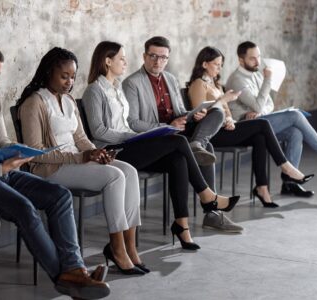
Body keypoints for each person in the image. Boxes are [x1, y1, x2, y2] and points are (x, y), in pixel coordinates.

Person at [0, 42, 110, 300]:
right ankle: (67, 278)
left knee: (59, 195)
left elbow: (1, 141)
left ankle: (74, 268)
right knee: (24, 208)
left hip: (0, 171)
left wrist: (20, 151)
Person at [82, 41, 241, 247]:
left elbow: (126, 123)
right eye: (121, 58)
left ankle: (182, 225)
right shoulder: (94, 91)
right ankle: (207, 195)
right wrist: (135, 136)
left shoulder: (117, 89)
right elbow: (99, 132)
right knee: (179, 142)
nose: (125, 61)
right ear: (107, 61)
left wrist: (192, 115)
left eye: (163, 57)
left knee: (178, 159)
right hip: (113, 152)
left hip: (131, 144)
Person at [18, 47, 148, 275]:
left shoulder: (68, 100)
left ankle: (130, 245)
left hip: (77, 162)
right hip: (51, 168)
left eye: (72, 76)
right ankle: (116, 248)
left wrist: (97, 153)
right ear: (49, 73)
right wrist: (82, 157)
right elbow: (35, 152)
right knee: (115, 177)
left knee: (129, 171)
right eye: (64, 76)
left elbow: (80, 138)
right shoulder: (34, 103)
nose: (69, 82)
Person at [123, 36, 242, 231]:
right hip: (156, 138)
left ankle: (210, 209)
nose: (158, 61)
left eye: (163, 58)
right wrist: (166, 125)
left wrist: (194, 115)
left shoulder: (170, 78)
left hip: (178, 131)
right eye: (153, 56)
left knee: (217, 112)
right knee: (203, 146)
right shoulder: (132, 83)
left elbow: (180, 111)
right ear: (144, 56)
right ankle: (211, 208)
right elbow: (132, 122)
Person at [188, 46, 314, 207]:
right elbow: (201, 116)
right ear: (204, 64)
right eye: (216, 64)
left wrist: (230, 120)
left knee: (259, 136)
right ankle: (286, 167)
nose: (219, 68)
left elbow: (225, 112)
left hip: (225, 128)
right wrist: (223, 100)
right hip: (211, 135)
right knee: (262, 123)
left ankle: (262, 188)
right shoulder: (199, 84)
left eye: (221, 65)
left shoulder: (215, 84)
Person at [226, 41, 317, 196]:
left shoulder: (256, 74)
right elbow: (259, 105)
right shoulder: (237, 80)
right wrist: (267, 81)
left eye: (259, 57)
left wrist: (260, 112)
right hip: (244, 127)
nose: (258, 62)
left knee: (295, 133)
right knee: (295, 115)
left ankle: (289, 183)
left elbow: (269, 104)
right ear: (241, 60)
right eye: (252, 59)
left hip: (260, 122)